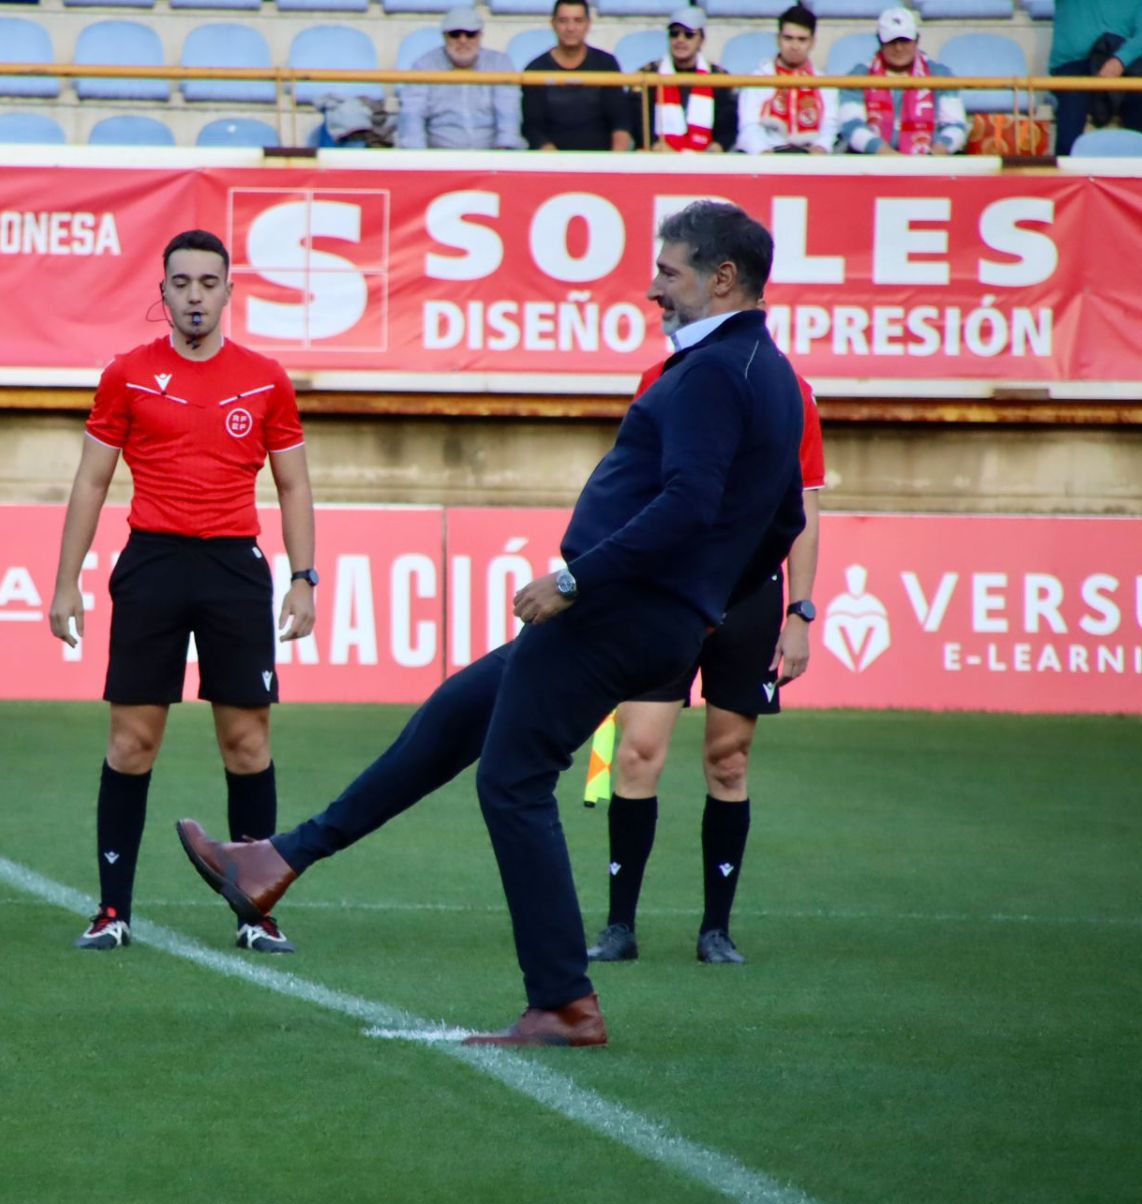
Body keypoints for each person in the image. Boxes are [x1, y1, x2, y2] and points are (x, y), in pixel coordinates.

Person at [180, 201, 805, 1046]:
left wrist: (577, 577)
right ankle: (276, 860)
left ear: (722, 277)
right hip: (653, 612)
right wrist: (704, 602)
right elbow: (781, 520)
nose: (654, 287)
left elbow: (689, 501)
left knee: (511, 781)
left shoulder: (710, 374)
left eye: (670, 271)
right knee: (457, 715)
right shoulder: (772, 373)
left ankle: (564, 1001)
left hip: (615, 607)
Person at [50, 229, 317, 955]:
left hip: (233, 568)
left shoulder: (266, 377)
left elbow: (292, 483)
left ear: (229, 291)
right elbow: (91, 480)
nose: (195, 295)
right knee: (132, 743)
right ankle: (112, 911)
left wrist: (303, 576)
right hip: (153, 565)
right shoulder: (127, 374)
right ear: (161, 292)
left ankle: (256, 912)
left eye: (208, 282)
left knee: (247, 743)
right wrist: (65, 581)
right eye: (181, 283)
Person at [589, 347, 824, 967]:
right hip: (664, 591)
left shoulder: (789, 389)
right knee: (637, 752)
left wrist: (801, 612)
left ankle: (715, 929)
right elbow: (632, 483)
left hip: (748, 595)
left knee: (729, 760)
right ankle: (619, 927)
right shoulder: (663, 378)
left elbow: (803, 507)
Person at [837, 8, 967, 157]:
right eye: (892, 41)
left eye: (904, 40)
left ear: (916, 40)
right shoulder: (859, 75)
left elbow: (955, 126)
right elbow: (851, 126)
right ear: (880, 41)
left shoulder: (940, 74)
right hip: (873, 161)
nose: (898, 48)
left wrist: (937, 150)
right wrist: (885, 153)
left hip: (928, 162)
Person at [398, 5, 522, 151]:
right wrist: (420, 159)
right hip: (439, 158)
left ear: (480, 36)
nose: (463, 40)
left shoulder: (500, 63)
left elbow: (508, 114)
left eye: (470, 34)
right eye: (455, 34)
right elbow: (412, 117)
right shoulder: (423, 66)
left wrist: (504, 155)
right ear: (444, 36)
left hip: (491, 157)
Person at [521, 0, 633, 153]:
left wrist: (615, 163)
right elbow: (533, 129)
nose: (570, 28)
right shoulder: (535, 69)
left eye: (578, 21)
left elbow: (620, 121)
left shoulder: (606, 64)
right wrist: (561, 165)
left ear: (588, 24)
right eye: (563, 21)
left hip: (601, 162)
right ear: (553, 24)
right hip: (552, 165)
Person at [1048, 0, 1142, 155]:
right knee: (1072, 102)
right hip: (1074, 63)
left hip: (1124, 63)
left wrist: (1119, 61)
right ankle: (1066, 172)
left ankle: (1138, 167)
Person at [736, 5, 837, 156]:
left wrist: (821, 147)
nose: (794, 46)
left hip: (811, 158)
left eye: (802, 40)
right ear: (778, 39)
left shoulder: (825, 82)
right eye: (788, 38)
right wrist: (763, 152)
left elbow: (830, 125)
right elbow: (748, 127)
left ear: (812, 42)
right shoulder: (758, 78)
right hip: (767, 157)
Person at [642, 6, 735, 153]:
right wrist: (656, 145)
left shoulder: (718, 78)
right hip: (660, 160)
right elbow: (640, 122)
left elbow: (727, 126)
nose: (680, 40)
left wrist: (717, 148)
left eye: (688, 35)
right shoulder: (649, 75)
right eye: (674, 34)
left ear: (701, 40)